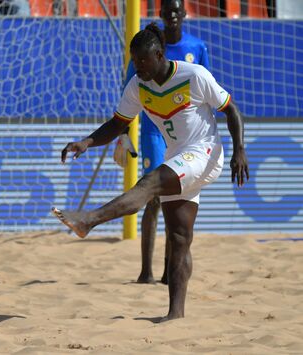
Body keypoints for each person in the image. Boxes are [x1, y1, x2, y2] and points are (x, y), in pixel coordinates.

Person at [52, 22, 249, 321]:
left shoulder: (194, 75)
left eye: (143, 60)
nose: (138, 66)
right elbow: (118, 125)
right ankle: (175, 315)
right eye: (134, 60)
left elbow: (232, 110)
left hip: (205, 152)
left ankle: (88, 220)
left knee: (148, 184)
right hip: (178, 156)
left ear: (159, 55)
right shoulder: (137, 86)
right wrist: (86, 142)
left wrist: (240, 150)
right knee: (180, 236)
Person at [118, 0, 210, 285]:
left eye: (176, 10)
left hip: (184, 134)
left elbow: (208, 92)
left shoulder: (197, 47)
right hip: (153, 130)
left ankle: (169, 271)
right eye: (167, 10)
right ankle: (146, 271)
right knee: (154, 196)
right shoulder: (149, 47)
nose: (172, 15)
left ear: (184, 14)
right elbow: (128, 94)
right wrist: (123, 135)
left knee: (176, 198)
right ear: (160, 14)